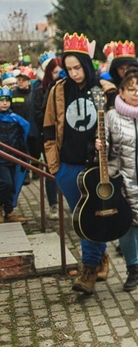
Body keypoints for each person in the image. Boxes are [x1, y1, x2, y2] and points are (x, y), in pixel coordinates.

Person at [43, 33, 117, 294]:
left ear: (87, 64)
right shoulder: (59, 90)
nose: (74, 73)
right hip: (68, 166)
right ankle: (100, 257)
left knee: (91, 219)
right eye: (69, 68)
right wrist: (55, 167)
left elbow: (115, 128)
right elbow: (49, 128)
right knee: (81, 218)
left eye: (78, 67)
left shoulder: (105, 90)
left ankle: (88, 269)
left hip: (96, 168)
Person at [99, 70, 138, 301]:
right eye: (131, 89)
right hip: (121, 182)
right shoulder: (111, 117)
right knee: (125, 229)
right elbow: (105, 149)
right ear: (121, 92)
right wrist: (99, 145)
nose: (137, 93)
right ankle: (132, 268)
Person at [33, 53, 62, 219]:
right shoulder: (40, 91)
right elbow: (38, 115)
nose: (58, 75)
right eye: (55, 72)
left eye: (60, 71)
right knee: (51, 172)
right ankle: (53, 205)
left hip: (66, 138)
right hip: (49, 136)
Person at [0, 86, 30, 223]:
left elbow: (20, 139)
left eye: (7, 100)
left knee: (12, 186)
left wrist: (24, 156)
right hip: (1, 160)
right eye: (1, 100)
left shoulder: (15, 120)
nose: (4, 103)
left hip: (13, 158)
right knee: (6, 183)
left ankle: (9, 211)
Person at [11, 67, 38, 186]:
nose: (20, 82)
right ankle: (25, 174)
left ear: (29, 80)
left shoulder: (35, 93)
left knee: (35, 151)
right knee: (23, 151)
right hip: (19, 129)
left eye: (23, 80)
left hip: (33, 128)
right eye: (19, 80)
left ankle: (36, 169)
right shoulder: (13, 94)